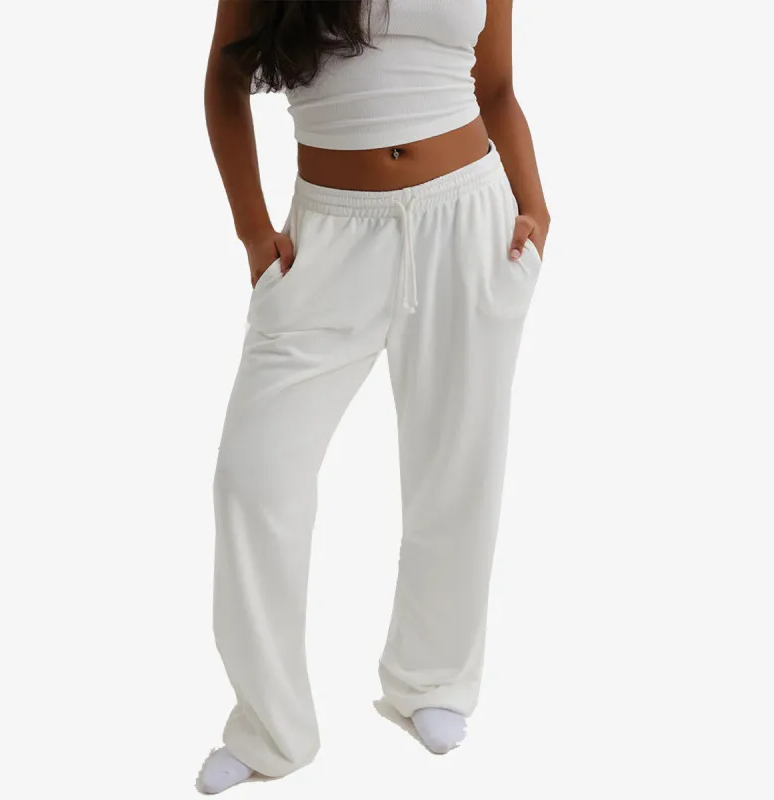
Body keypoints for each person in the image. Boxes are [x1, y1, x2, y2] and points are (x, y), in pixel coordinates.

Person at [197, 0, 550, 793]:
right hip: (327, 237)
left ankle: (432, 679)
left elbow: (496, 86)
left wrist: (535, 204)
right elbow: (223, 82)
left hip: (470, 218)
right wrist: (253, 232)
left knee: (457, 466)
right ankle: (270, 728)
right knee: (253, 479)